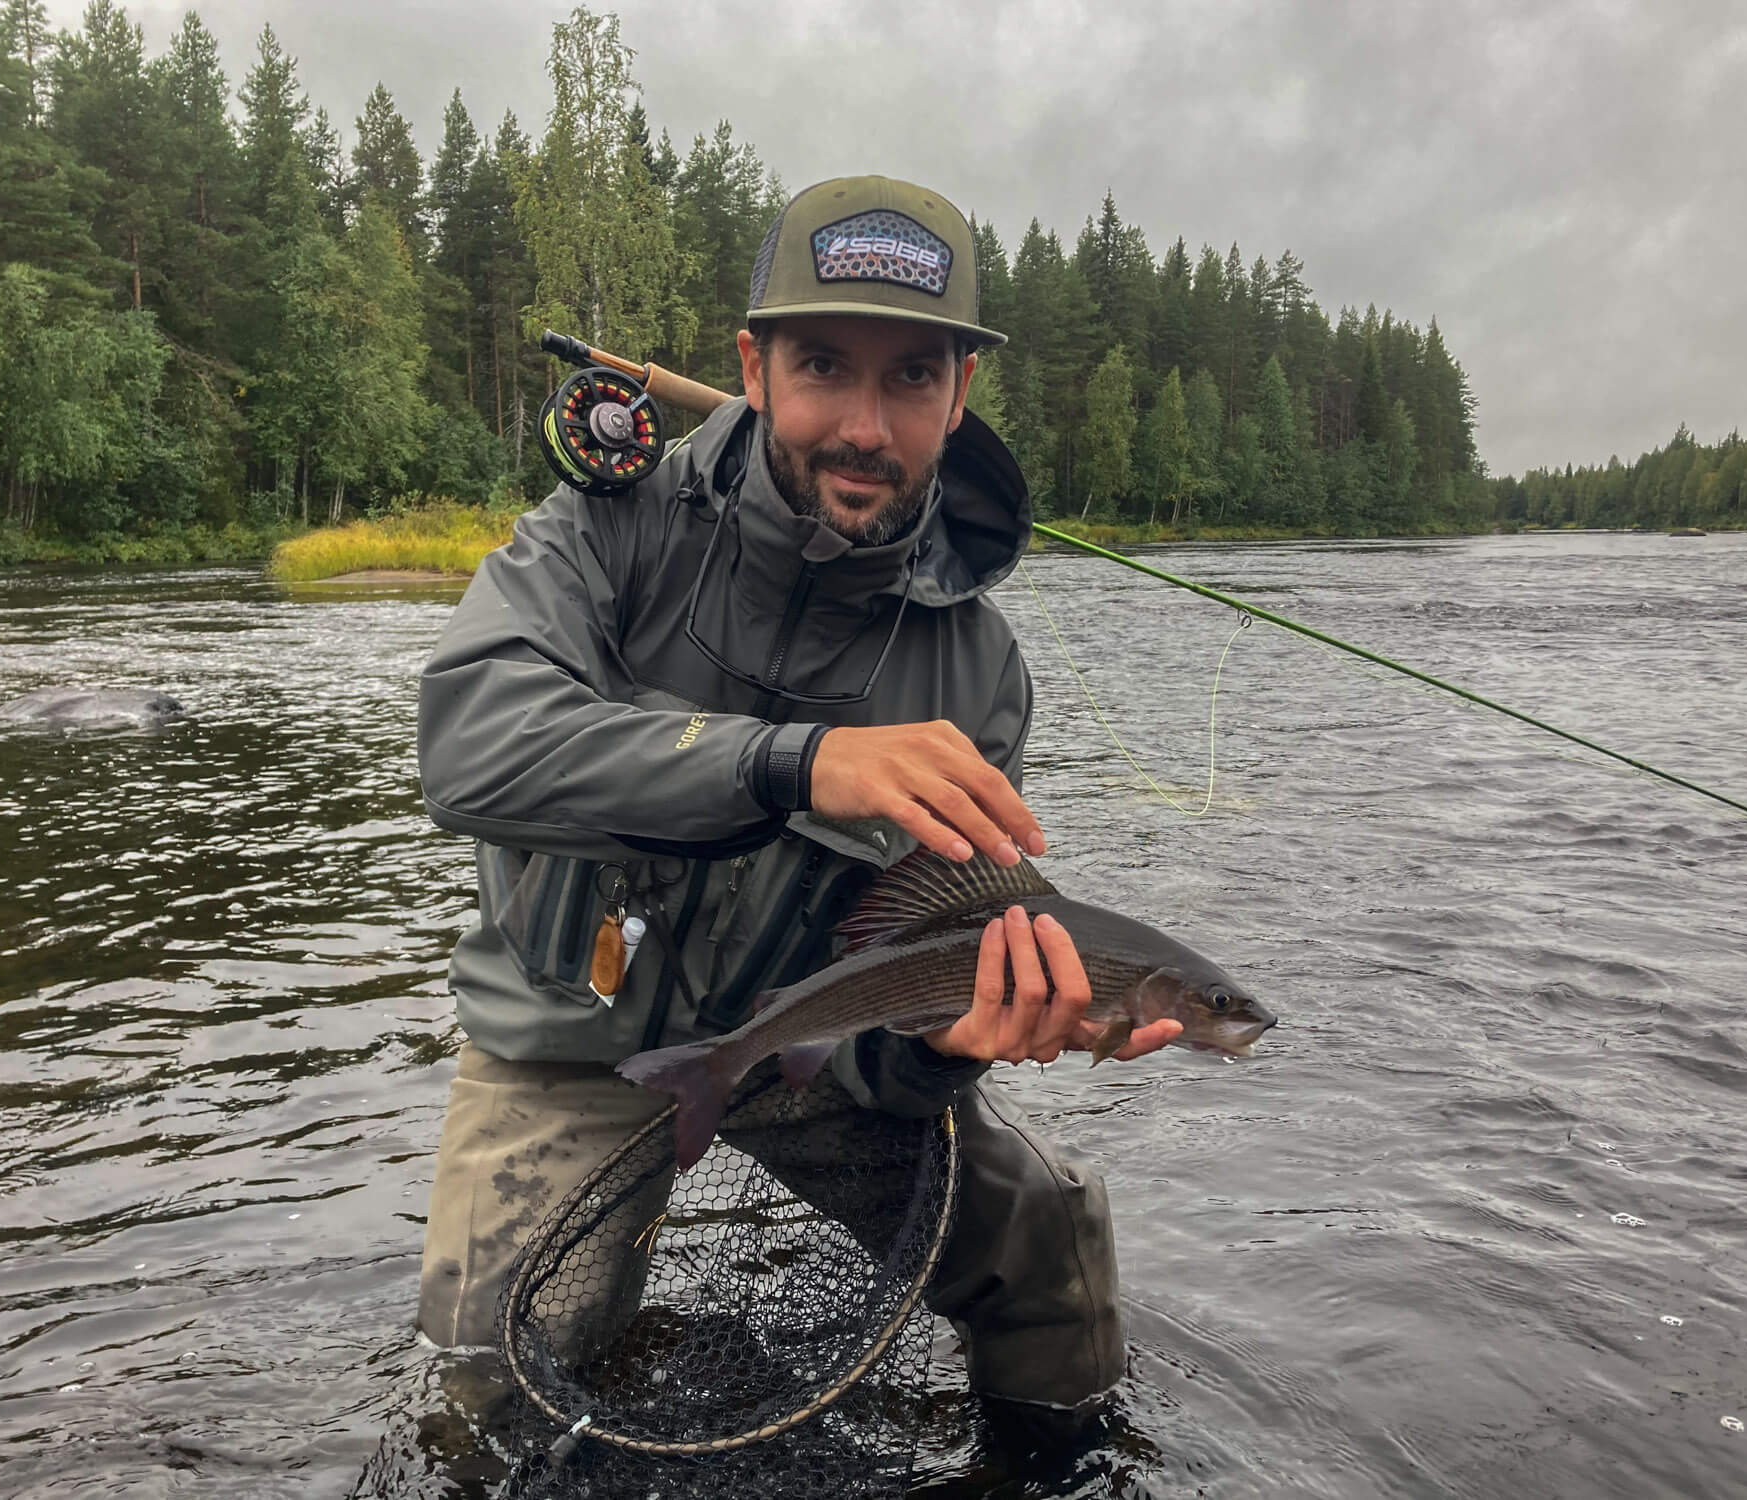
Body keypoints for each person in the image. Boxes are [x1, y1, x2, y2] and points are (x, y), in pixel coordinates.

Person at [414, 175, 1181, 1450]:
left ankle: (1048, 1469)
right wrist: (791, 762)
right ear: (753, 367)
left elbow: (895, 1030)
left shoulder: (978, 672)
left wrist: (948, 1049)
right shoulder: (605, 533)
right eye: (823, 364)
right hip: (566, 1045)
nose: (866, 426)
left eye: (911, 380)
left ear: (960, 394)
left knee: (1049, 1233)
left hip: (804, 1058)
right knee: (491, 1374)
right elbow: (466, 746)